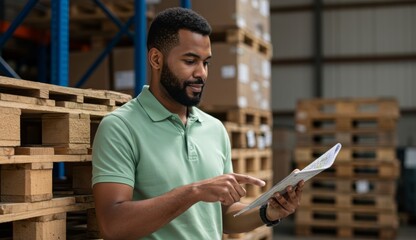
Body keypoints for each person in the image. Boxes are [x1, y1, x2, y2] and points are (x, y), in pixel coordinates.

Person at [92, 7, 304, 240]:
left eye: (206, 63)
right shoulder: (120, 127)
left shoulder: (214, 130)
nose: (201, 73)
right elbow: (112, 225)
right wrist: (194, 192)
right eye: (190, 61)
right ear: (156, 59)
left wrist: (268, 212)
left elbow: (220, 216)